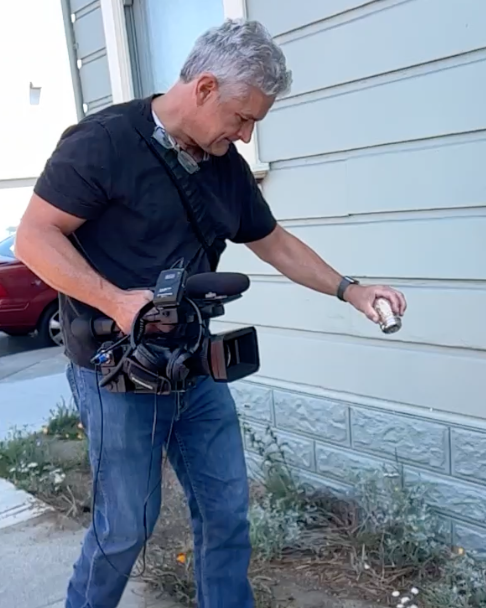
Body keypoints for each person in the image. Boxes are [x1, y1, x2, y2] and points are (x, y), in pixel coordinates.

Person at [15, 18, 406, 608]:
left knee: (226, 513)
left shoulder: (223, 163)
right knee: (124, 530)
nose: (246, 136)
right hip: (117, 371)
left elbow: (273, 241)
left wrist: (349, 289)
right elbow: (34, 237)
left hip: (194, 365)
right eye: (242, 118)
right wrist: (117, 301)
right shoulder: (104, 142)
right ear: (204, 88)